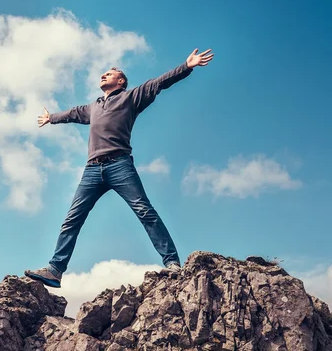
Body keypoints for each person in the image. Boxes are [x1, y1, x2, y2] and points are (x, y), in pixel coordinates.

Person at [24, 48, 214, 288]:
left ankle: (172, 262)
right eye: (103, 74)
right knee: (72, 219)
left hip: (120, 165)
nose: (103, 75)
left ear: (121, 81)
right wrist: (51, 118)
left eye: (109, 74)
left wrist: (186, 67)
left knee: (144, 211)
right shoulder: (93, 107)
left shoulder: (131, 97)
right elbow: (72, 113)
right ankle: (55, 270)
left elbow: (160, 83)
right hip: (92, 170)